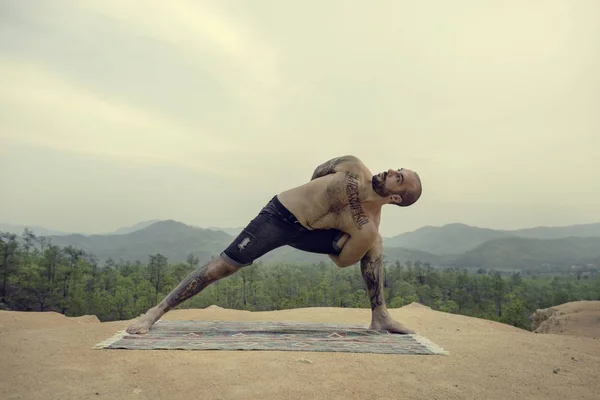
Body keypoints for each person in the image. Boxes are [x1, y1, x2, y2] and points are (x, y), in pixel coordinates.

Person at [126, 155, 422, 335]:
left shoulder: (366, 227)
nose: (389, 172)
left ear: (396, 198)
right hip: (280, 215)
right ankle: (155, 312)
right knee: (221, 267)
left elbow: (342, 261)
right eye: (396, 170)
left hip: (309, 233)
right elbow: (319, 172)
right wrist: (316, 202)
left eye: (398, 178)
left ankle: (380, 316)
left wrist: (335, 226)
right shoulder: (352, 165)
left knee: (374, 242)